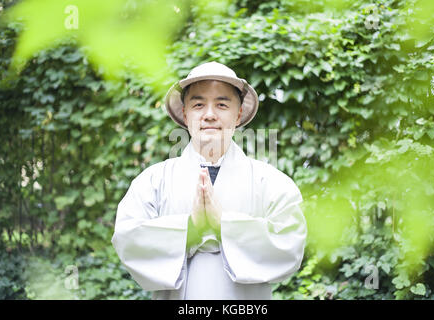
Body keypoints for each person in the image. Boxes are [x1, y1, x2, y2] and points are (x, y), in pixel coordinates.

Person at [111, 62, 307, 300]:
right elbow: (127, 238)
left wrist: (224, 223)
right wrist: (190, 226)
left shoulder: (273, 183)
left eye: (222, 104)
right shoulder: (152, 181)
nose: (210, 115)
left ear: (238, 114)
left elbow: (290, 245)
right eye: (198, 104)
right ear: (185, 114)